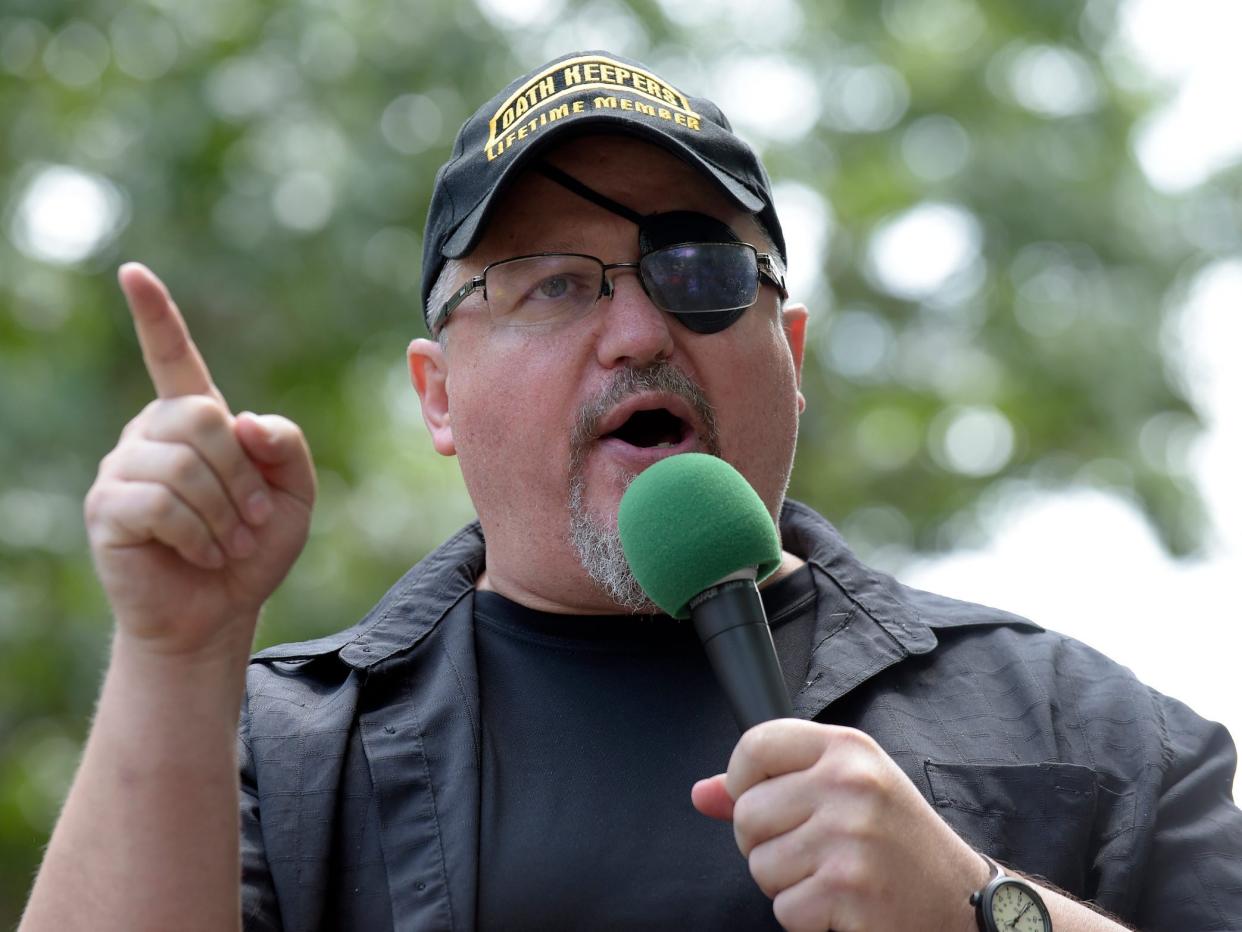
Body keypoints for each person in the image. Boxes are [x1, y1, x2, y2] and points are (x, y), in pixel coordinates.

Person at [20, 49, 1242, 932]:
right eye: (552, 282)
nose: (640, 329)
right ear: (436, 395)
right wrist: (177, 651)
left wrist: (985, 912)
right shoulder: (276, 758)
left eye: (701, 266)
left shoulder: (1087, 734)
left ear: (795, 358)